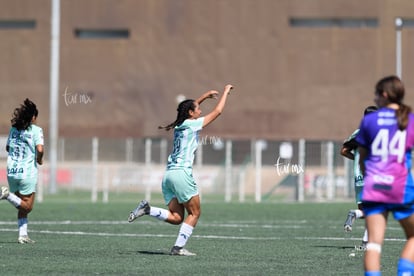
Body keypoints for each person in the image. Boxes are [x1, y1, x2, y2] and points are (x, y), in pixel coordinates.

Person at [128, 84, 234, 256]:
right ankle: (177, 248)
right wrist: (226, 92)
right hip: (181, 174)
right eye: (197, 109)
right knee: (195, 213)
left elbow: (188, 109)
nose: (200, 111)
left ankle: (148, 209)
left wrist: (204, 96)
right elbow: (218, 112)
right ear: (191, 114)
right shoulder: (192, 125)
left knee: (177, 217)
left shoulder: (179, 125)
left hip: (169, 175)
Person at [356, 76, 414, 275]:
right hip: (401, 187)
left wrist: (370, 178)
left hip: (374, 187)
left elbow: (362, 158)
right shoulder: (409, 119)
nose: (374, 99)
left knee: (373, 244)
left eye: (376, 94)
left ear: (385, 94)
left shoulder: (369, 120)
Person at [0, 98, 44, 244]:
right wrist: (39, 159)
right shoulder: (36, 130)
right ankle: (6, 194)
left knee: (21, 205)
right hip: (27, 173)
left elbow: (7, 148)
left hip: (12, 171)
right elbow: (40, 149)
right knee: (28, 206)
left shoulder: (13, 129)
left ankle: (22, 235)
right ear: (33, 117)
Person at [341, 105, 378, 251]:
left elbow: (343, 151)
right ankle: (354, 215)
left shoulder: (358, 133)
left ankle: (364, 244)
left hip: (358, 177)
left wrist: (356, 158)